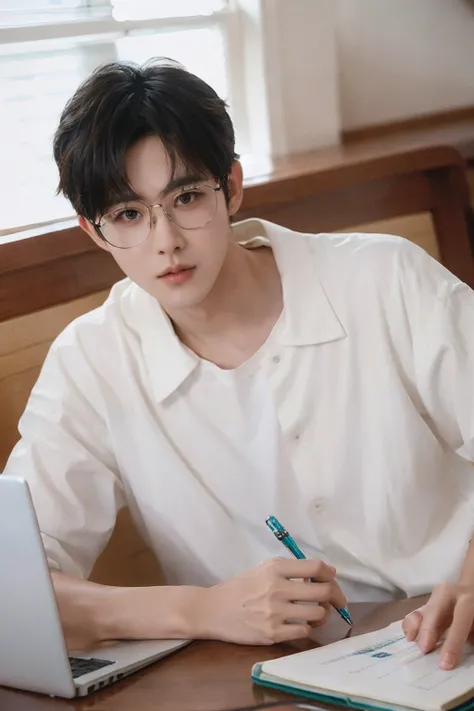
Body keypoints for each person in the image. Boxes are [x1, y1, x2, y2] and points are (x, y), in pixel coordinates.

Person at [4, 57, 474, 669]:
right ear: (93, 232)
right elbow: (17, 586)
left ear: (231, 185)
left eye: (187, 197)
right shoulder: (91, 360)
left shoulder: (384, 278)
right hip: (270, 684)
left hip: (454, 647)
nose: (166, 239)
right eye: (128, 215)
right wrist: (202, 609)